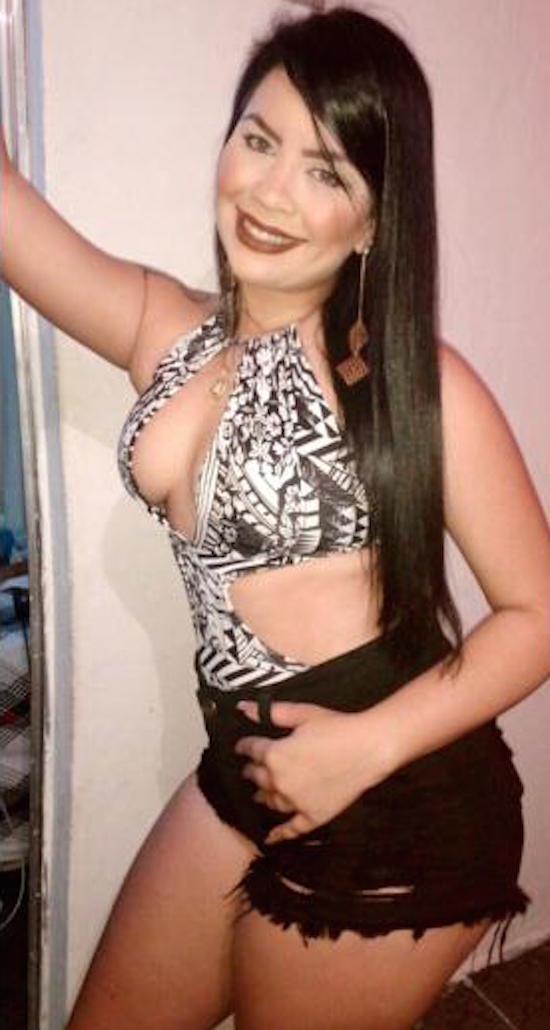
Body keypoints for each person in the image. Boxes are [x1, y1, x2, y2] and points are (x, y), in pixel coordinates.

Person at [2, 6, 550, 1028]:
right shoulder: (160, 324)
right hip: (241, 771)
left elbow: (539, 613)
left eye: (324, 171)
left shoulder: (419, 386)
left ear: (374, 220)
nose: (268, 191)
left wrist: (361, 750)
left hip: (398, 797)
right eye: (258, 141)